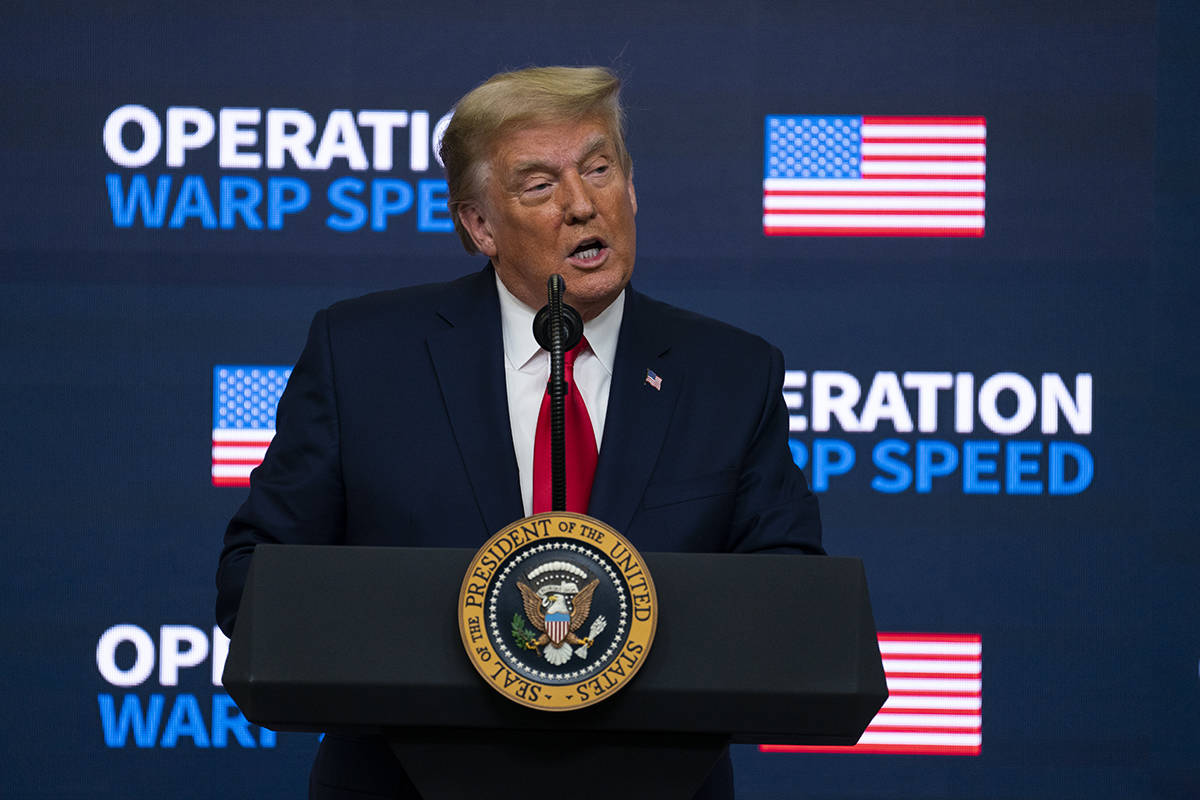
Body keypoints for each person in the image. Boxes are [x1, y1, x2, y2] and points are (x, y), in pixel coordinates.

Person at [217, 65, 822, 800]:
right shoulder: (363, 356)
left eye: (600, 169)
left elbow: (786, 598)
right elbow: (255, 579)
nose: (580, 204)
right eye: (539, 186)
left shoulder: (731, 374)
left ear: (631, 187)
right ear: (479, 226)